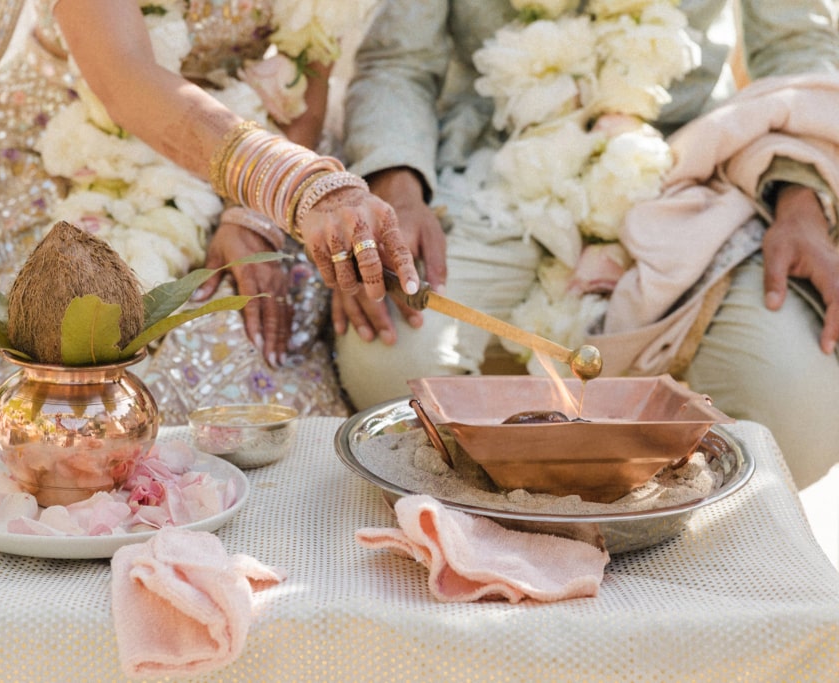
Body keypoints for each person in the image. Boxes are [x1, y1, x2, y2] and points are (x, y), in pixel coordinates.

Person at [0, 0, 418, 542]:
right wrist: (298, 185)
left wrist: (251, 216)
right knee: (55, 383)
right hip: (73, 156)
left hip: (253, 163)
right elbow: (125, 77)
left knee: (253, 354)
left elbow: (311, 50)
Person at [335, 0, 839, 489]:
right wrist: (397, 185)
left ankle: (653, 533)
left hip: (684, 167)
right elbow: (397, 63)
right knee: (387, 365)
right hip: (493, 165)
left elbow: (799, 50)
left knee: (796, 413)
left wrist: (801, 202)